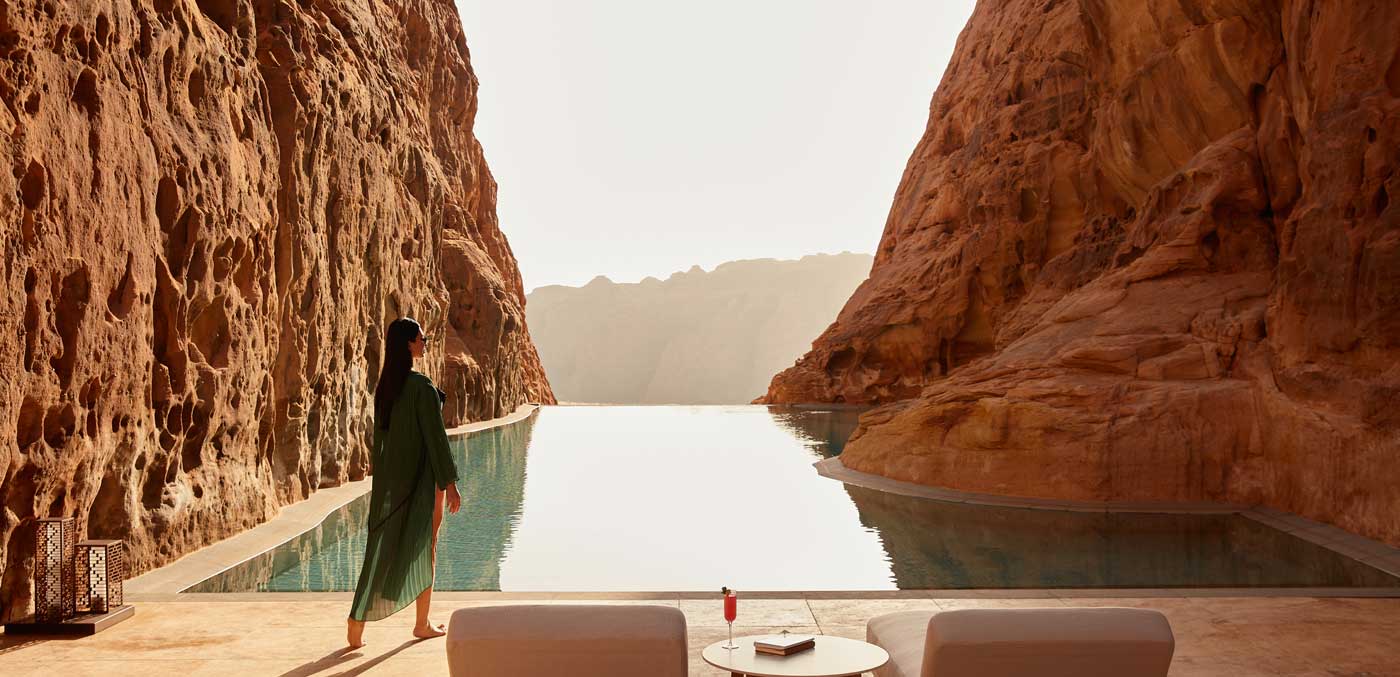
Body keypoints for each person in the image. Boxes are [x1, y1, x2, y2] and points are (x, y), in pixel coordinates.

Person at [347, 317, 463, 648]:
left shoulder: (386, 387)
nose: (425, 343)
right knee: (427, 548)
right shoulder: (421, 387)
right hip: (424, 482)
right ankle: (421, 624)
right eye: (422, 338)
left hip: (394, 482)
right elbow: (436, 439)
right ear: (410, 343)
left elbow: (383, 441)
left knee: (381, 549)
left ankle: (356, 623)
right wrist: (450, 483)